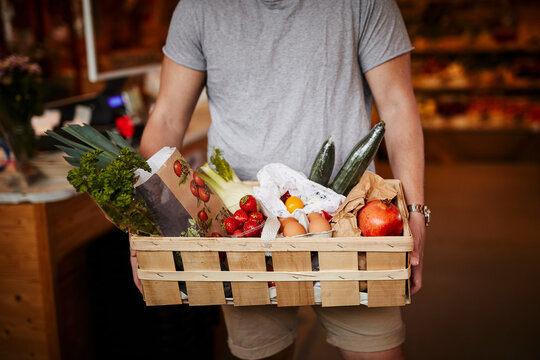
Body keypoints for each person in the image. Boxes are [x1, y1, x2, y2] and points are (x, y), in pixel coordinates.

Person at [134, 0, 427, 359]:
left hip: (352, 223)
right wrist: (144, 227)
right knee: (262, 351)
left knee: (377, 350)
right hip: (243, 228)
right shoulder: (199, 8)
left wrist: (415, 211)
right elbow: (166, 117)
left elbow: (397, 106)